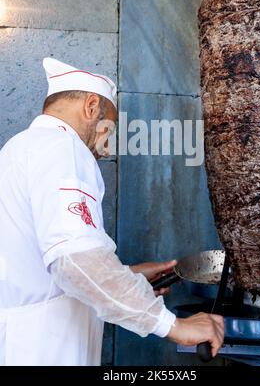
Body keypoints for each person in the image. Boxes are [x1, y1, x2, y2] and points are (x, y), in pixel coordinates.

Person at [0, 57, 224, 366]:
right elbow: (76, 262)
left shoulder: (18, 148)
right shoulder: (63, 148)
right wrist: (173, 325)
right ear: (91, 107)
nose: (106, 148)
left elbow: (46, 268)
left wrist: (127, 277)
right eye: (109, 130)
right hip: (49, 349)